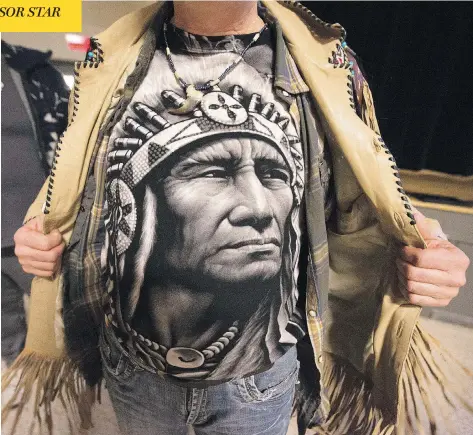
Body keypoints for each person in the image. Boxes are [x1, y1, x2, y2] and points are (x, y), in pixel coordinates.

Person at [5, 2, 471, 435]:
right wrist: (41, 235)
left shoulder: (326, 69)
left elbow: (368, 195)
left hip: (261, 379)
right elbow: (78, 190)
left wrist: (426, 254)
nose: (255, 208)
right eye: (213, 171)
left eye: (269, 173)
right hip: (134, 371)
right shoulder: (108, 65)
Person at [1, 41, 68, 366]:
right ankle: (18, 394)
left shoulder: (31, 71)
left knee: (66, 325)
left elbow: (75, 142)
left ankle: (82, 402)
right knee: (7, 334)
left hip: (40, 231)